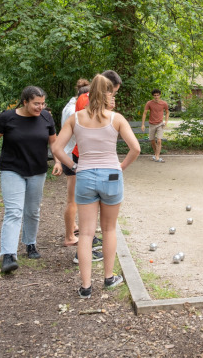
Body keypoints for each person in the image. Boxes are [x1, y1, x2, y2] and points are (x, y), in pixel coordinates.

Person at [53, 74, 140, 298]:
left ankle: (85, 287)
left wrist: (73, 165)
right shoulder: (116, 118)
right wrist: (121, 166)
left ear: (89, 94)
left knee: (86, 234)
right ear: (108, 94)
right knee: (109, 229)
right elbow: (136, 148)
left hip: (85, 176)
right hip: (111, 175)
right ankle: (109, 278)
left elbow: (56, 149)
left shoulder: (76, 118)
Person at [0, 86, 59, 274]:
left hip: (37, 171)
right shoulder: (7, 118)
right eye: (36, 103)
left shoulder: (46, 118)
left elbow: (54, 142)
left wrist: (58, 161)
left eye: (42, 103)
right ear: (25, 102)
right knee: (14, 211)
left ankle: (30, 243)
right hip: (12, 170)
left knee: (32, 211)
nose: (40, 107)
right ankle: (8, 255)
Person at [68, 70, 123, 264]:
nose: (113, 96)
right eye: (112, 93)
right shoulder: (87, 102)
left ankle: (86, 284)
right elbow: (95, 122)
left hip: (86, 165)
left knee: (88, 229)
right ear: (105, 89)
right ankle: (92, 262)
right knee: (102, 228)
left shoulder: (86, 100)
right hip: (87, 159)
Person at [60, 79, 89, 247]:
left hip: (70, 154)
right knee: (73, 199)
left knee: (74, 197)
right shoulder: (73, 110)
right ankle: (70, 236)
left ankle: (74, 226)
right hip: (71, 156)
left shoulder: (70, 106)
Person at [141, 89, 169, 163]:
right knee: (152, 141)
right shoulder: (149, 103)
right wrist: (143, 124)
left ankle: (157, 156)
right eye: (155, 95)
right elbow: (144, 113)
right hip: (151, 124)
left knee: (159, 140)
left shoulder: (164, 103)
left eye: (157, 95)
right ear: (153, 96)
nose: (156, 97)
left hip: (160, 124)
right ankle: (156, 154)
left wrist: (166, 121)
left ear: (160, 95)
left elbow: (167, 112)